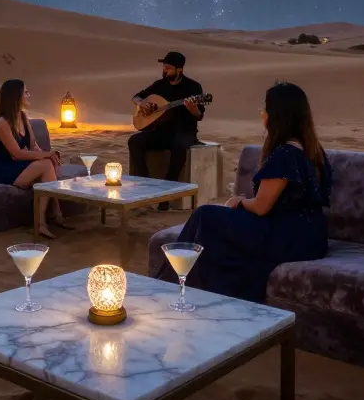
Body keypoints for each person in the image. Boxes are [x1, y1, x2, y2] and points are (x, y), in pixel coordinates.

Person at [158, 81, 331, 303]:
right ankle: (180, 285)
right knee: (211, 223)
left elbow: (261, 206)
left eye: (265, 109)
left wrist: (238, 201)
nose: (262, 114)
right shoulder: (312, 150)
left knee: (205, 216)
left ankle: (174, 287)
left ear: (277, 115)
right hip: (310, 234)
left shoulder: (286, 154)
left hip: (290, 236)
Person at [0, 79, 73, 239]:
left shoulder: (23, 117)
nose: (29, 95)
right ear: (16, 96)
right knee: (46, 164)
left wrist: (48, 154)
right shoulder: (2, 122)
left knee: (49, 162)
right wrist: (44, 156)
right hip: (3, 169)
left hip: (19, 165)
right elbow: (16, 153)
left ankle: (51, 217)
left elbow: (33, 146)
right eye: (26, 92)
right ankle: (44, 221)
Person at [128, 51, 205, 210]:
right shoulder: (159, 85)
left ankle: (166, 193)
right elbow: (136, 96)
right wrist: (141, 103)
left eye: (168, 68)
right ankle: (144, 184)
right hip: (161, 132)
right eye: (164, 68)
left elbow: (199, 116)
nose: (164, 71)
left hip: (185, 133)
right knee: (135, 141)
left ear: (179, 70)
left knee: (180, 146)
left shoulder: (193, 87)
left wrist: (192, 108)